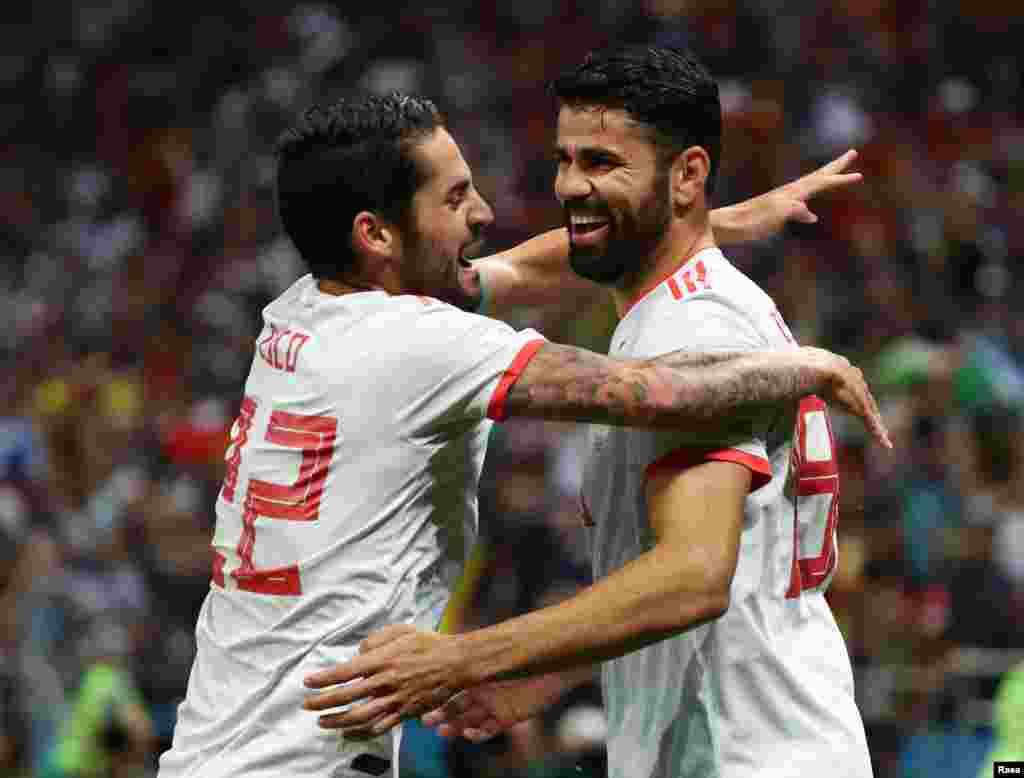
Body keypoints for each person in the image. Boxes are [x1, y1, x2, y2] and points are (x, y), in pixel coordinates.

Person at [157, 92, 886, 778]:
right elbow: (659, 391)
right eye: (453, 198)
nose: (483, 212)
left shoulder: (299, 312)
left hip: (223, 744)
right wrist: (809, 364)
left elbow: (515, 271)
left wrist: (708, 222)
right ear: (375, 234)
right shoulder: (416, 343)